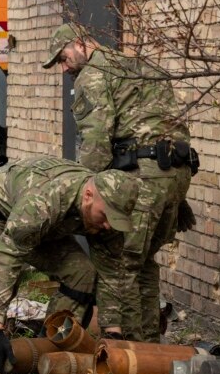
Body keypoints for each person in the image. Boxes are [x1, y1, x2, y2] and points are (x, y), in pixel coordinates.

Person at [43, 23, 197, 341]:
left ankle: (129, 353)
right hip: (177, 175)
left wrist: (81, 193)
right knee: (142, 263)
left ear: (80, 43)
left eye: (62, 57)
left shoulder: (92, 76)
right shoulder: (135, 65)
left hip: (144, 176)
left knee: (119, 261)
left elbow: (96, 142)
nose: (63, 68)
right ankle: (151, 350)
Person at [0, 156, 140, 373]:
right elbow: (6, 257)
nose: (108, 226)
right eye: (105, 217)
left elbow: (111, 270)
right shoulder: (45, 201)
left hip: (37, 229)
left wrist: (112, 331)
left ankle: (48, 347)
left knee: (82, 273)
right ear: (88, 196)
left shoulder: (105, 214)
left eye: (114, 220)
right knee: (0, 279)